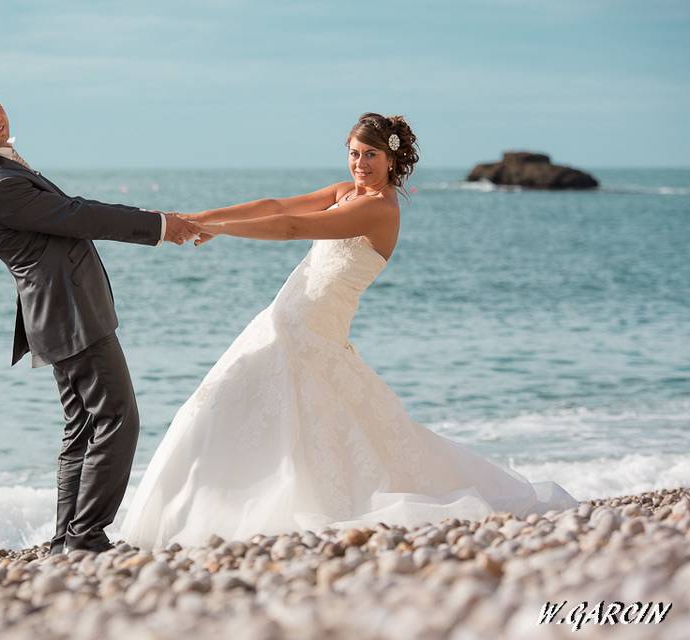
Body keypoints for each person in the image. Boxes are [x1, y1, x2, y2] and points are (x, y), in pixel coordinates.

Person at [118, 112, 578, 549]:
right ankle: (194, 514)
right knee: (228, 407)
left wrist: (211, 227)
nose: (360, 164)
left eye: (370, 156)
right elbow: (275, 205)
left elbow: (293, 227)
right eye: (354, 153)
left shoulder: (380, 210)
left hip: (310, 334)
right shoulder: (346, 192)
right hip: (284, 323)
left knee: (296, 424)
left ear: (393, 160)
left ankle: (234, 517)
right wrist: (203, 216)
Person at [0, 77, 198, 553]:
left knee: (83, 425)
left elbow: (66, 218)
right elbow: (78, 215)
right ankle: (87, 535)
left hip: (61, 312)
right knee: (118, 418)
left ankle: (66, 538)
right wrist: (161, 225)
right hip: (69, 313)